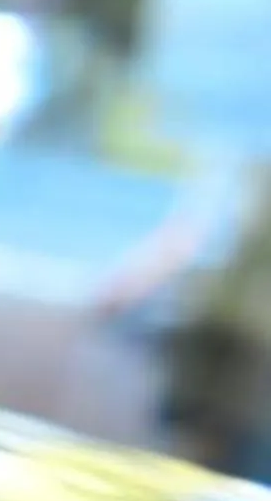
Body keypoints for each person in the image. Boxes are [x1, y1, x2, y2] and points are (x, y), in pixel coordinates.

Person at [98, 157, 271, 479]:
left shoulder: (248, 168)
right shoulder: (248, 169)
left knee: (210, 448)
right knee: (201, 445)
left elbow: (182, 239)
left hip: (234, 339)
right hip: (222, 334)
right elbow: (184, 237)